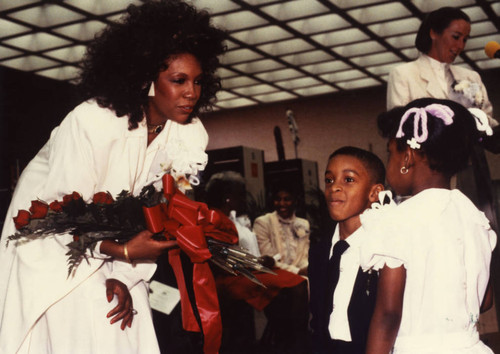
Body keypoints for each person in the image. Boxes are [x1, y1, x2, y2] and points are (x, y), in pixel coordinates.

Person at [0, 1, 226, 353]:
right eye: (178, 80)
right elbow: (56, 217)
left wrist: (124, 270)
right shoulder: (91, 122)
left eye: (198, 81)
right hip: (48, 247)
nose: (192, 93)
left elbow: (161, 217)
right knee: (93, 321)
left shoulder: (189, 134)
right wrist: (119, 250)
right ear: (145, 79)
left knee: (131, 323)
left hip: (120, 253)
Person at [361, 98, 497, 353]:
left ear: (407, 158)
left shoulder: (398, 220)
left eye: (390, 152)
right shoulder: (474, 217)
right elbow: (485, 300)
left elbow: (388, 314)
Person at [386, 6, 499, 227]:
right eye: (456, 37)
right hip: (428, 173)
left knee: (475, 228)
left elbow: (488, 122)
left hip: (470, 170)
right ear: (433, 32)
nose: (460, 46)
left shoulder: (471, 76)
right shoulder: (404, 74)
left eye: (465, 40)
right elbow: (400, 128)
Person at [204, 171, 310, 354]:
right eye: (241, 193)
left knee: (292, 283)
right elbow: (219, 258)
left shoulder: (227, 217)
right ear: (228, 198)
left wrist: (257, 262)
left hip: (240, 272)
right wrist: (257, 262)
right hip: (226, 279)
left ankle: (285, 337)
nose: (245, 197)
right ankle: (295, 341)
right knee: (295, 285)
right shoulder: (213, 218)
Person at [308, 146, 385, 354]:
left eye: (348, 180)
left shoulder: (384, 251)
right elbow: (317, 322)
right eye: (329, 180)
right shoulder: (319, 251)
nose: (335, 187)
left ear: (374, 192)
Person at [253, 183, 310, 276]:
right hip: (274, 273)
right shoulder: (262, 222)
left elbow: (303, 257)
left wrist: (309, 269)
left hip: (300, 274)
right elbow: (269, 260)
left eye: (286, 199)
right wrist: (297, 272)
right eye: (277, 199)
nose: (281, 204)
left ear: (295, 201)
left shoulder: (303, 224)